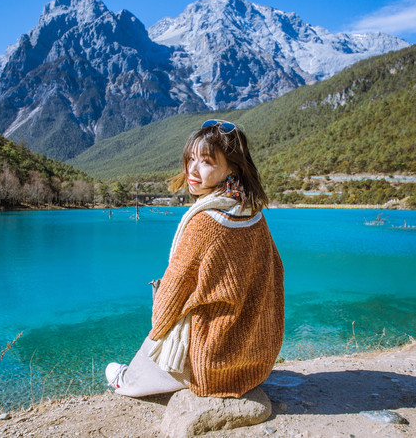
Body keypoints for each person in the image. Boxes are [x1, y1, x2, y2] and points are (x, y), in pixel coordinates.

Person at [106, 119, 284, 398]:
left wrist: (155, 339)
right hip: (257, 359)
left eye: (206, 161)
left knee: (135, 370)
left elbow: (172, 295)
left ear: (233, 168)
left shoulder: (205, 223)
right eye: (190, 158)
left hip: (212, 361)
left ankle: (128, 379)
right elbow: (276, 272)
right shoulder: (253, 214)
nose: (192, 169)